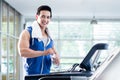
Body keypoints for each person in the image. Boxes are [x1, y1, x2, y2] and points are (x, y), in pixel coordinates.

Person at [18, 5, 60, 75]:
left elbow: (56, 58)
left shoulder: (50, 37)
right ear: (37, 17)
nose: (45, 20)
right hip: (31, 76)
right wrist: (44, 52)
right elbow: (22, 52)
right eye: (43, 16)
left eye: (48, 17)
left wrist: (56, 60)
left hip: (46, 76)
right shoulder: (27, 32)